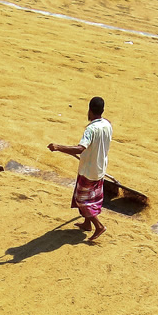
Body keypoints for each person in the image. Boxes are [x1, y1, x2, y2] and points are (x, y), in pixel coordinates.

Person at [47, 97, 112, 241]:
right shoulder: (107, 124)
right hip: (99, 168)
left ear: (89, 110)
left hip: (88, 171)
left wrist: (58, 147)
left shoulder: (90, 129)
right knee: (91, 197)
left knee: (82, 200)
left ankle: (99, 226)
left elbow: (80, 149)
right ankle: (87, 224)